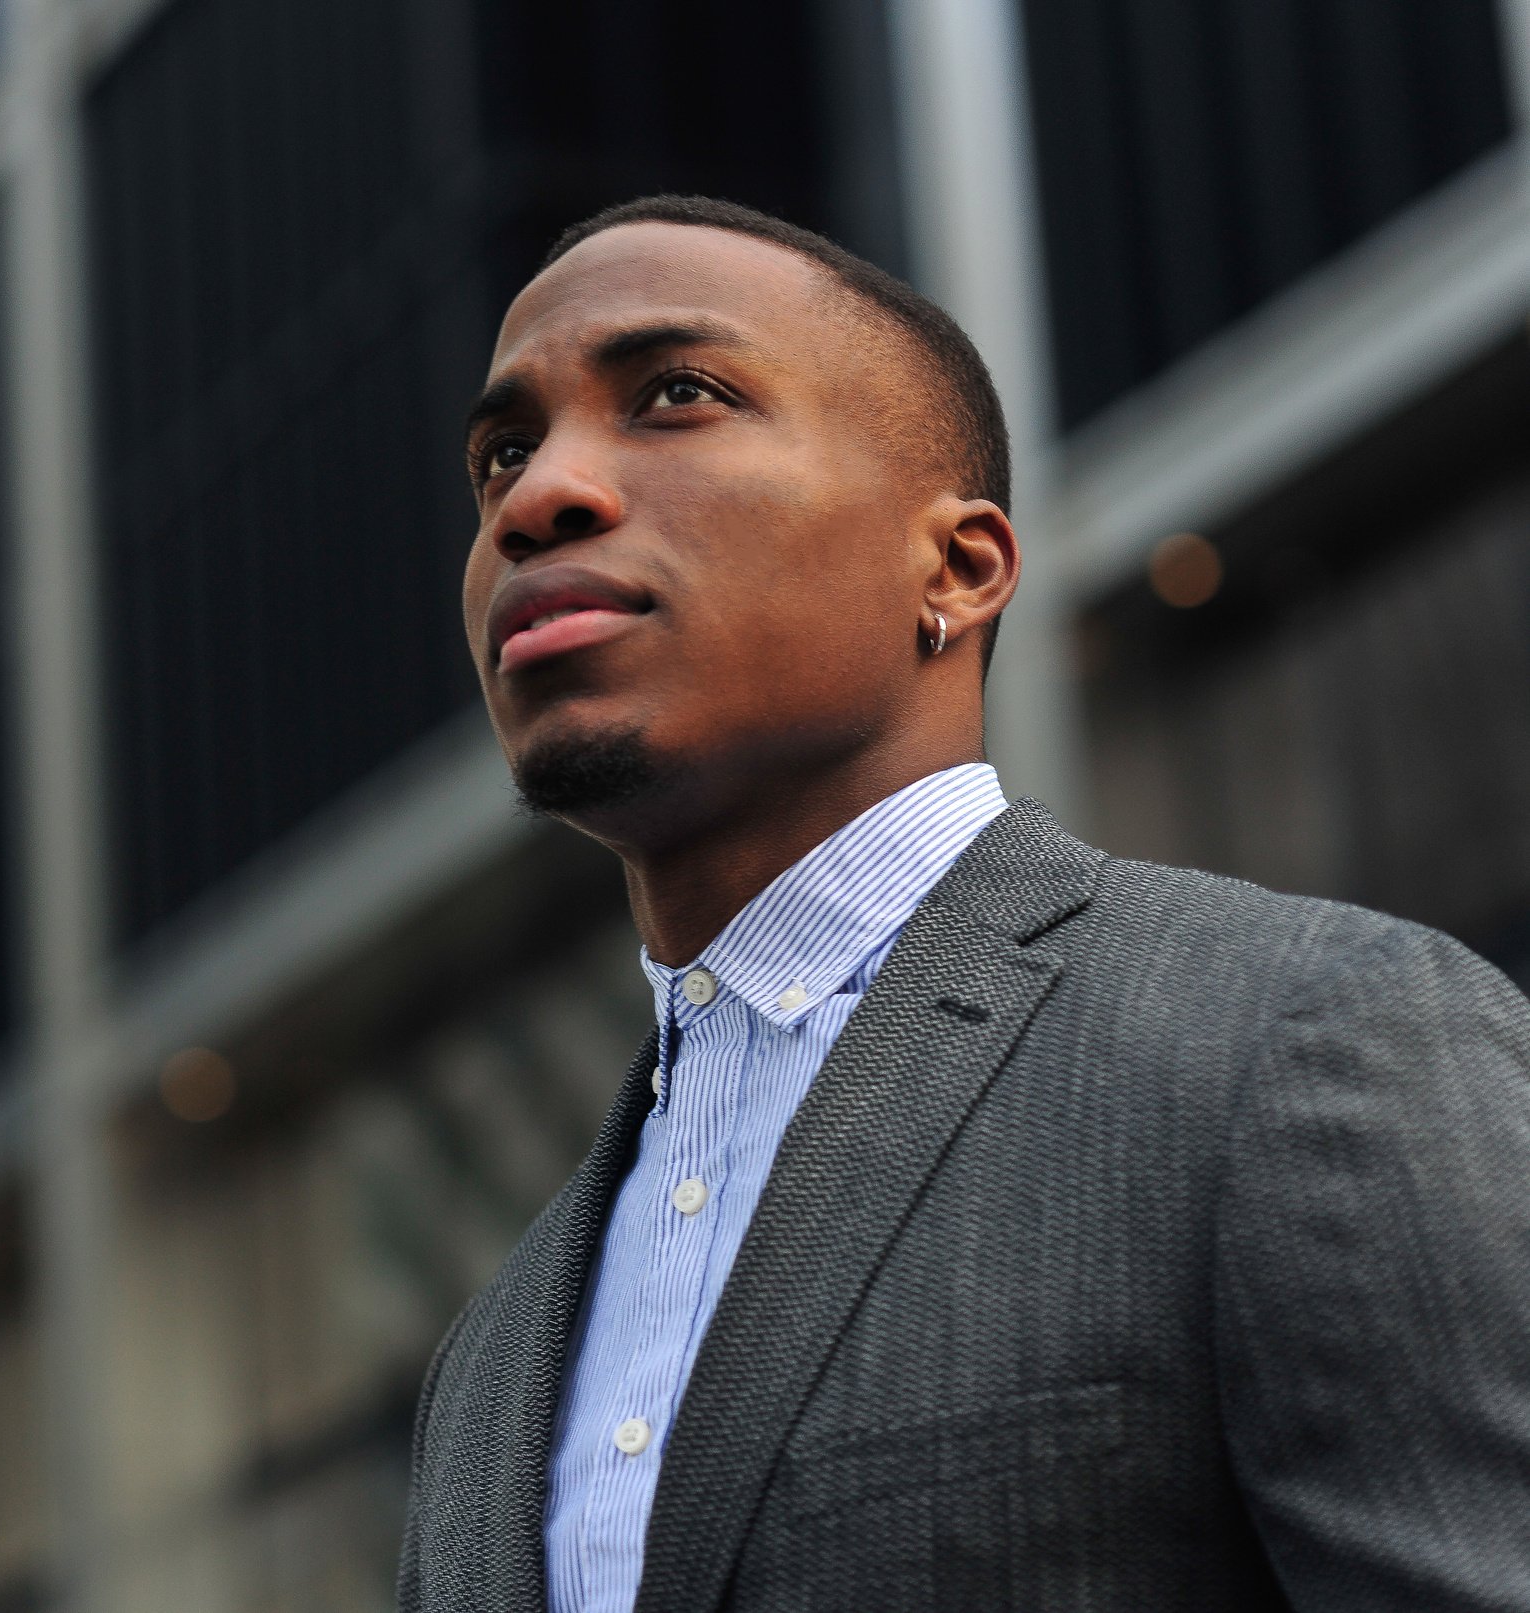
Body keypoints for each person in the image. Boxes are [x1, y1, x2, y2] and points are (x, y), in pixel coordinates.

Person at [396, 194, 1530, 1612]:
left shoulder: (1298, 1047)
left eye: (677, 396)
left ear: (957, 566)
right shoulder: (490, 1365)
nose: (537, 496)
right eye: (503, 451)